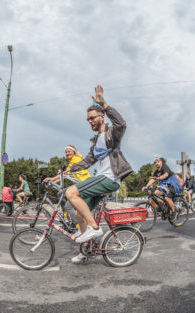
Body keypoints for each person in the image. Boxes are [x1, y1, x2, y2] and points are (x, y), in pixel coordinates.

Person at [65, 85, 133, 263]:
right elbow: (87, 161)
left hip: (110, 179)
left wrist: (104, 104)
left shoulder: (112, 135)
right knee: (80, 214)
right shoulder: (96, 143)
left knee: (71, 192)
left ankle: (94, 228)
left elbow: (122, 123)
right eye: (87, 120)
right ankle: (87, 249)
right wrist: (68, 169)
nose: (90, 122)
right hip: (102, 180)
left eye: (92, 118)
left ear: (102, 117)